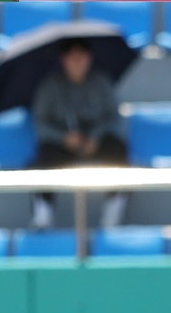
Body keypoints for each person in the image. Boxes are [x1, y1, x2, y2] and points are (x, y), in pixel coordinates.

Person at [29, 38, 129, 230]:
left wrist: (95, 137)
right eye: (72, 57)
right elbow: (41, 122)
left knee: (118, 150)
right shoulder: (50, 86)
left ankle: (113, 213)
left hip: (96, 143)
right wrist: (64, 138)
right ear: (63, 59)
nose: (77, 62)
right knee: (44, 156)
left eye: (81, 57)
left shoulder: (101, 81)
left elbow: (113, 116)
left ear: (89, 58)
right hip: (63, 144)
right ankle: (43, 215)